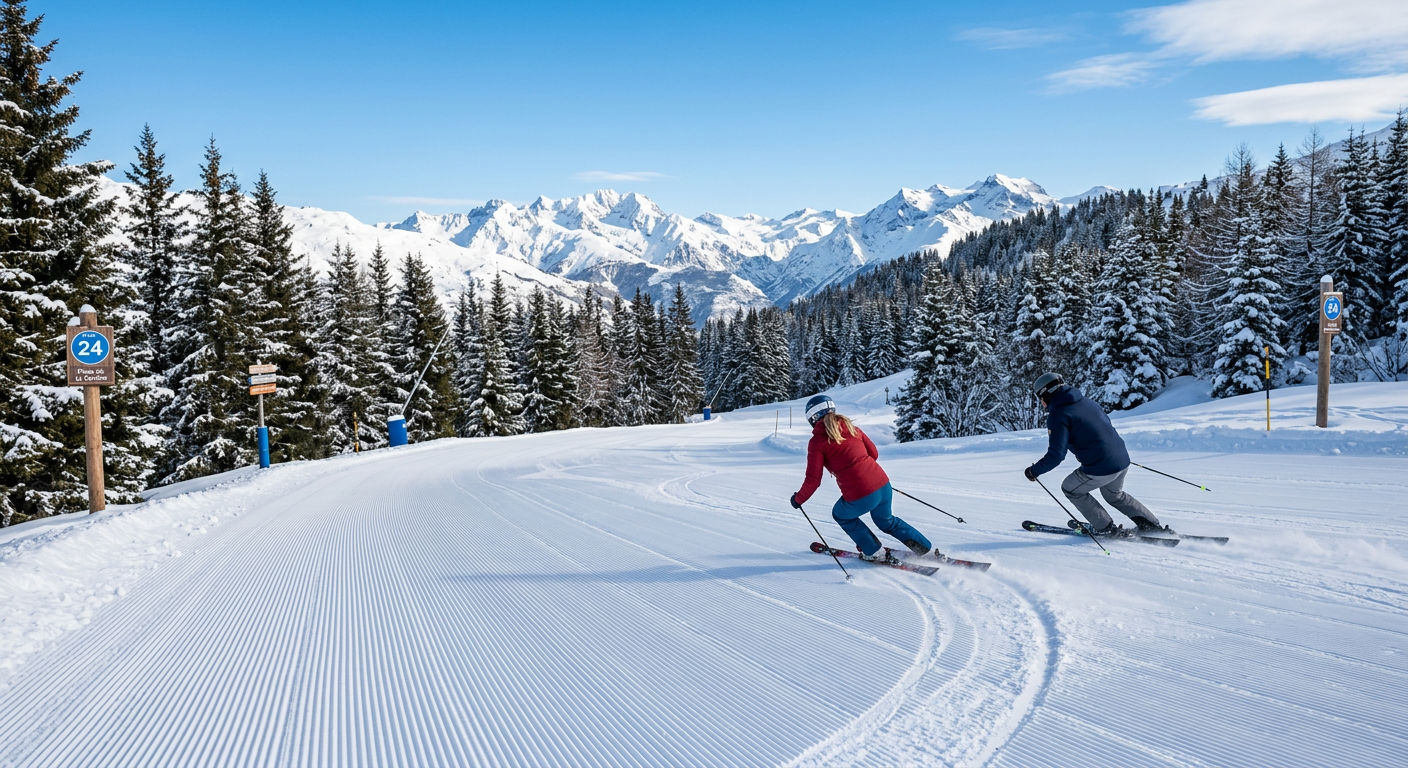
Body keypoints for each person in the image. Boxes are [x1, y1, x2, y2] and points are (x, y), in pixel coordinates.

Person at [789, 394, 939, 563]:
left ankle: (873, 550)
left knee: (841, 514)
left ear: (812, 417)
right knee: (887, 521)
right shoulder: (852, 428)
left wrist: (798, 499)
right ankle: (925, 549)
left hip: (861, 493)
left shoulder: (817, 442)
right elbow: (873, 454)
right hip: (883, 484)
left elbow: (813, 479)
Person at [1024, 372, 1166, 535]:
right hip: (1121, 459)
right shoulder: (1086, 402)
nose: (1041, 403)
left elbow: (1057, 455)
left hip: (1102, 466)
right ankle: (1151, 525)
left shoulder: (1059, 415)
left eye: (1039, 397)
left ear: (1046, 394)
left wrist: (1034, 471)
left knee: (1070, 489)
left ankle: (1104, 527)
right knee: (1114, 495)